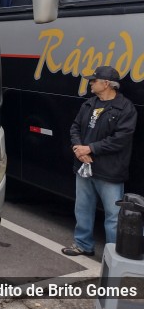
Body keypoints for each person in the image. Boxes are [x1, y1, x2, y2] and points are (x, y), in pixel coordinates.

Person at [62, 65, 138, 256]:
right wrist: (78, 149)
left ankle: (114, 255)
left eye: (94, 81)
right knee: (82, 209)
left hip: (110, 171)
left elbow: (120, 139)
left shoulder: (125, 108)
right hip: (84, 166)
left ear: (106, 84)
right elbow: (75, 128)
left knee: (113, 216)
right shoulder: (89, 104)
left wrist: (90, 149)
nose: (90, 83)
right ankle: (83, 245)